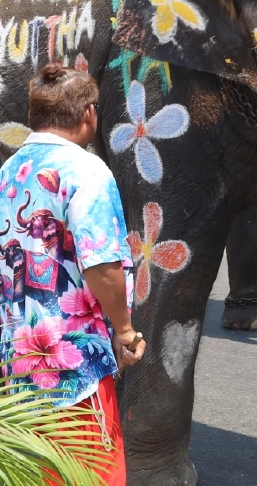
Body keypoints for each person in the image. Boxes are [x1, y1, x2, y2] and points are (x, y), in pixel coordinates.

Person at [0, 64, 144, 484]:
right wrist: (125, 330)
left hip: (15, 360)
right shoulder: (86, 171)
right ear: (88, 115)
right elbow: (100, 264)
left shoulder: (7, 175)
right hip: (70, 361)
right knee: (90, 472)